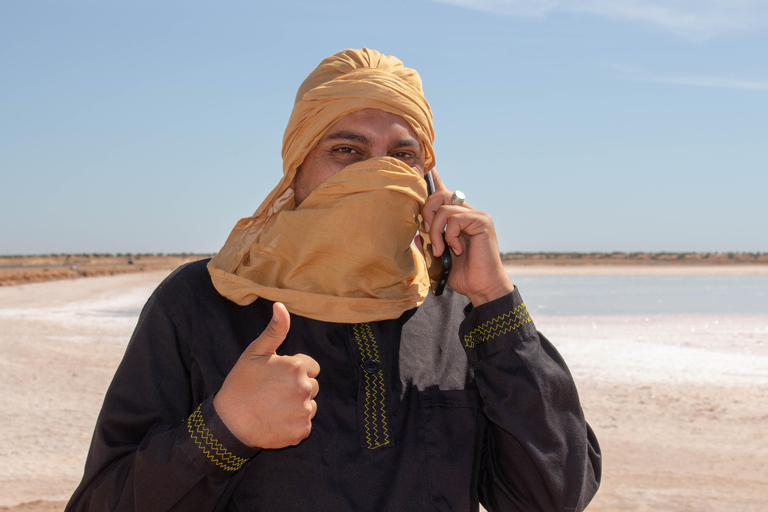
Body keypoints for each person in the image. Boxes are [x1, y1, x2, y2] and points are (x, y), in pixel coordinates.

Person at [66, 48, 601, 512]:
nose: (377, 173)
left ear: (428, 181)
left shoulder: (459, 312)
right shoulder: (204, 300)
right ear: (297, 166)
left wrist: (494, 298)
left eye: (403, 156)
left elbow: (553, 496)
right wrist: (222, 431)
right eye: (347, 151)